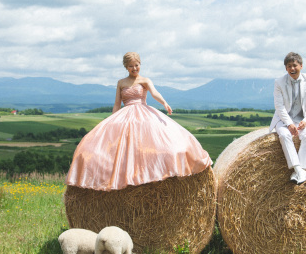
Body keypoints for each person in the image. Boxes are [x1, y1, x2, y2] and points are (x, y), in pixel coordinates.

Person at [65, 52, 211, 191]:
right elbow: (117, 103)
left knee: (154, 146)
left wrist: (164, 103)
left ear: (140, 64)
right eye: (131, 66)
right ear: (126, 67)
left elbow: (154, 93)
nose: (134, 68)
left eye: (137, 65)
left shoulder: (145, 80)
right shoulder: (121, 83)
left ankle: (149, 175)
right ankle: (125, 178)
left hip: (143, 114)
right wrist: (111, 120)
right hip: (125, 115)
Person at [269, 52, 306, 184]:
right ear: (286, 68)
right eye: (289, 66)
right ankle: (299, 170)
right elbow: (279, 106)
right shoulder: (279, 82)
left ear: (301, 66)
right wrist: (289, 123)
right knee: (284, 136)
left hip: (303, 119)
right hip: (283, 119)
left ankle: (299, 170)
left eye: (294, 65)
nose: (292, 69)